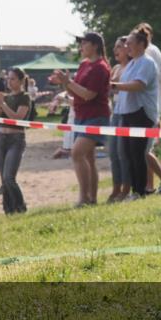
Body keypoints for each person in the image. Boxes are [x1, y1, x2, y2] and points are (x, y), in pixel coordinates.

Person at [51, 32, 111, 207]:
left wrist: (67, 82)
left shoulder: (100, 67)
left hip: (96, 117)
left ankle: (84, 199)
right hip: (81, 116)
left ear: (95, 46)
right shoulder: (84, 64)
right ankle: (91, 199)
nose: (81, 47)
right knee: (88, 158)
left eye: (84, 43)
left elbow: (88, 95)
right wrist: (64, 82)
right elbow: (74, 92)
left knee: (77, 153)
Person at [111, 29, 159, 200]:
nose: (126, 46)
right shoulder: (133, 63)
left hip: (141, 113)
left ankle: (139, 191)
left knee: (137, 154)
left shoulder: (146, 62)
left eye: (129, 43)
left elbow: (138, 85)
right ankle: (135, 190)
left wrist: (115, 86)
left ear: (141, 44)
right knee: (128, 154)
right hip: (127, 113)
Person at [135, 24, 161, 194]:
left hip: (149, 105)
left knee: (144, 149)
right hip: (156, 103)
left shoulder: (148, 53)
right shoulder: (155, 50)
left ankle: (159, 183)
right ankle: (150, 185)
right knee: (146, 148)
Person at [0, 67, 31, 214]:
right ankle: (9, 210)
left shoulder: (24, 97)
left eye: (13, 78)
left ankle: (20, 207)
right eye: (8, 78)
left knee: (9, 177)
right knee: (4, 179)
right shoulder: (5, 98)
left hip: (16, 139)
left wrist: (2, 104)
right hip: (1, 138)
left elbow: (17, 119)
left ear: (21, 81)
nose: (9, 81)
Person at [106, 36, 132, 202]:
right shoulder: (115, 68)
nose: (116, 50)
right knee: (113, 152)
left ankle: (126, 188)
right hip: (115, 112)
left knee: (123, 152)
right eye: (115, 47)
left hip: (126, 112)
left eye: (120, 47)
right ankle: (116, 187)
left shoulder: (131, 67)